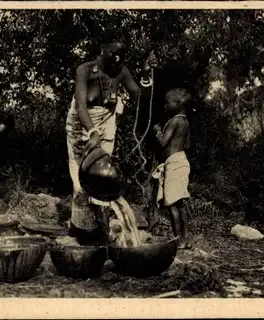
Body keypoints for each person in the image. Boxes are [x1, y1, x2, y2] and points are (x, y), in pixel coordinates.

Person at [65, 28, 158, 245]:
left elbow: (138, 96)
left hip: (106, 128)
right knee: (80, 184)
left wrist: (145, 73)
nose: (117, 58)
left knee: (103, 179)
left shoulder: (122, 72)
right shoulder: (84, 70)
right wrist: (92, 133)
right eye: (113, 53)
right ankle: (80, 232)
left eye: (122, 55)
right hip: (81, 127)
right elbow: (80, 105)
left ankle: (101, 232)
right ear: (102, 48)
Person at [151, 88, 192, 249]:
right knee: (179, 203)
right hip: (181, 161)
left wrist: (157, 131)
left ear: (178, 104)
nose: (165, 106)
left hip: (174, 163)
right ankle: (185, 239)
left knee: (172, 204)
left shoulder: (175, 121)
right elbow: (187, 145)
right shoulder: (185, 122)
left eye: (168, 103)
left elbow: (162, 142)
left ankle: (178, 240)